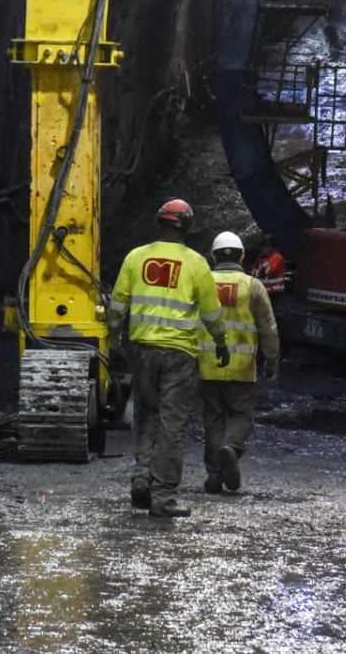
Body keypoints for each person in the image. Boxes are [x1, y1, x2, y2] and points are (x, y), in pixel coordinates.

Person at [109, 198, 229, 518]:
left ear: (158, 223)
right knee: (172, 426)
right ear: (187, 227)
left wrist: (112, 340)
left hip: (143, 351)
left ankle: (141, 478)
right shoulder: (196, 263)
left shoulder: (136, 258)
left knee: (147, 417)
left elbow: (118, 304)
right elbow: (211, 313)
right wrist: (221, 341)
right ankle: (163, 499)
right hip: (179, 355)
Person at [199, 231, 281, 495]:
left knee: (212, 419)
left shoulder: (202, 283)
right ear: (242, 256)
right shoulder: (252, 286)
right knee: (241, 416)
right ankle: (231, 447)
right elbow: (268, 326)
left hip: (207, 363)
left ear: (213, 256)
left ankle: (214, 475)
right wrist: (272, 358)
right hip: (242, 366)